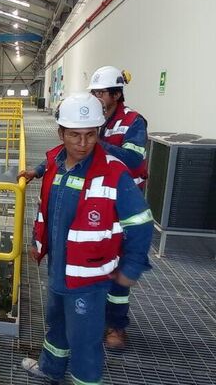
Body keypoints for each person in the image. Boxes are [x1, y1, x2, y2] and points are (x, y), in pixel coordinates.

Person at [21, 94, 153, 384]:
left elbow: (142, 223)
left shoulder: (114, 173)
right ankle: (51, 369)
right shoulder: (55, 165)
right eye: (75, 135)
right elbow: (47, 210)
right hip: (59, 269)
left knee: (85, 343)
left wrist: (131, 268)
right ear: (61, 133)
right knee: (56, 326)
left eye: (90, 135)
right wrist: (37, 241)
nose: (83, 144)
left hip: (89, 279)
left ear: (99, 133)